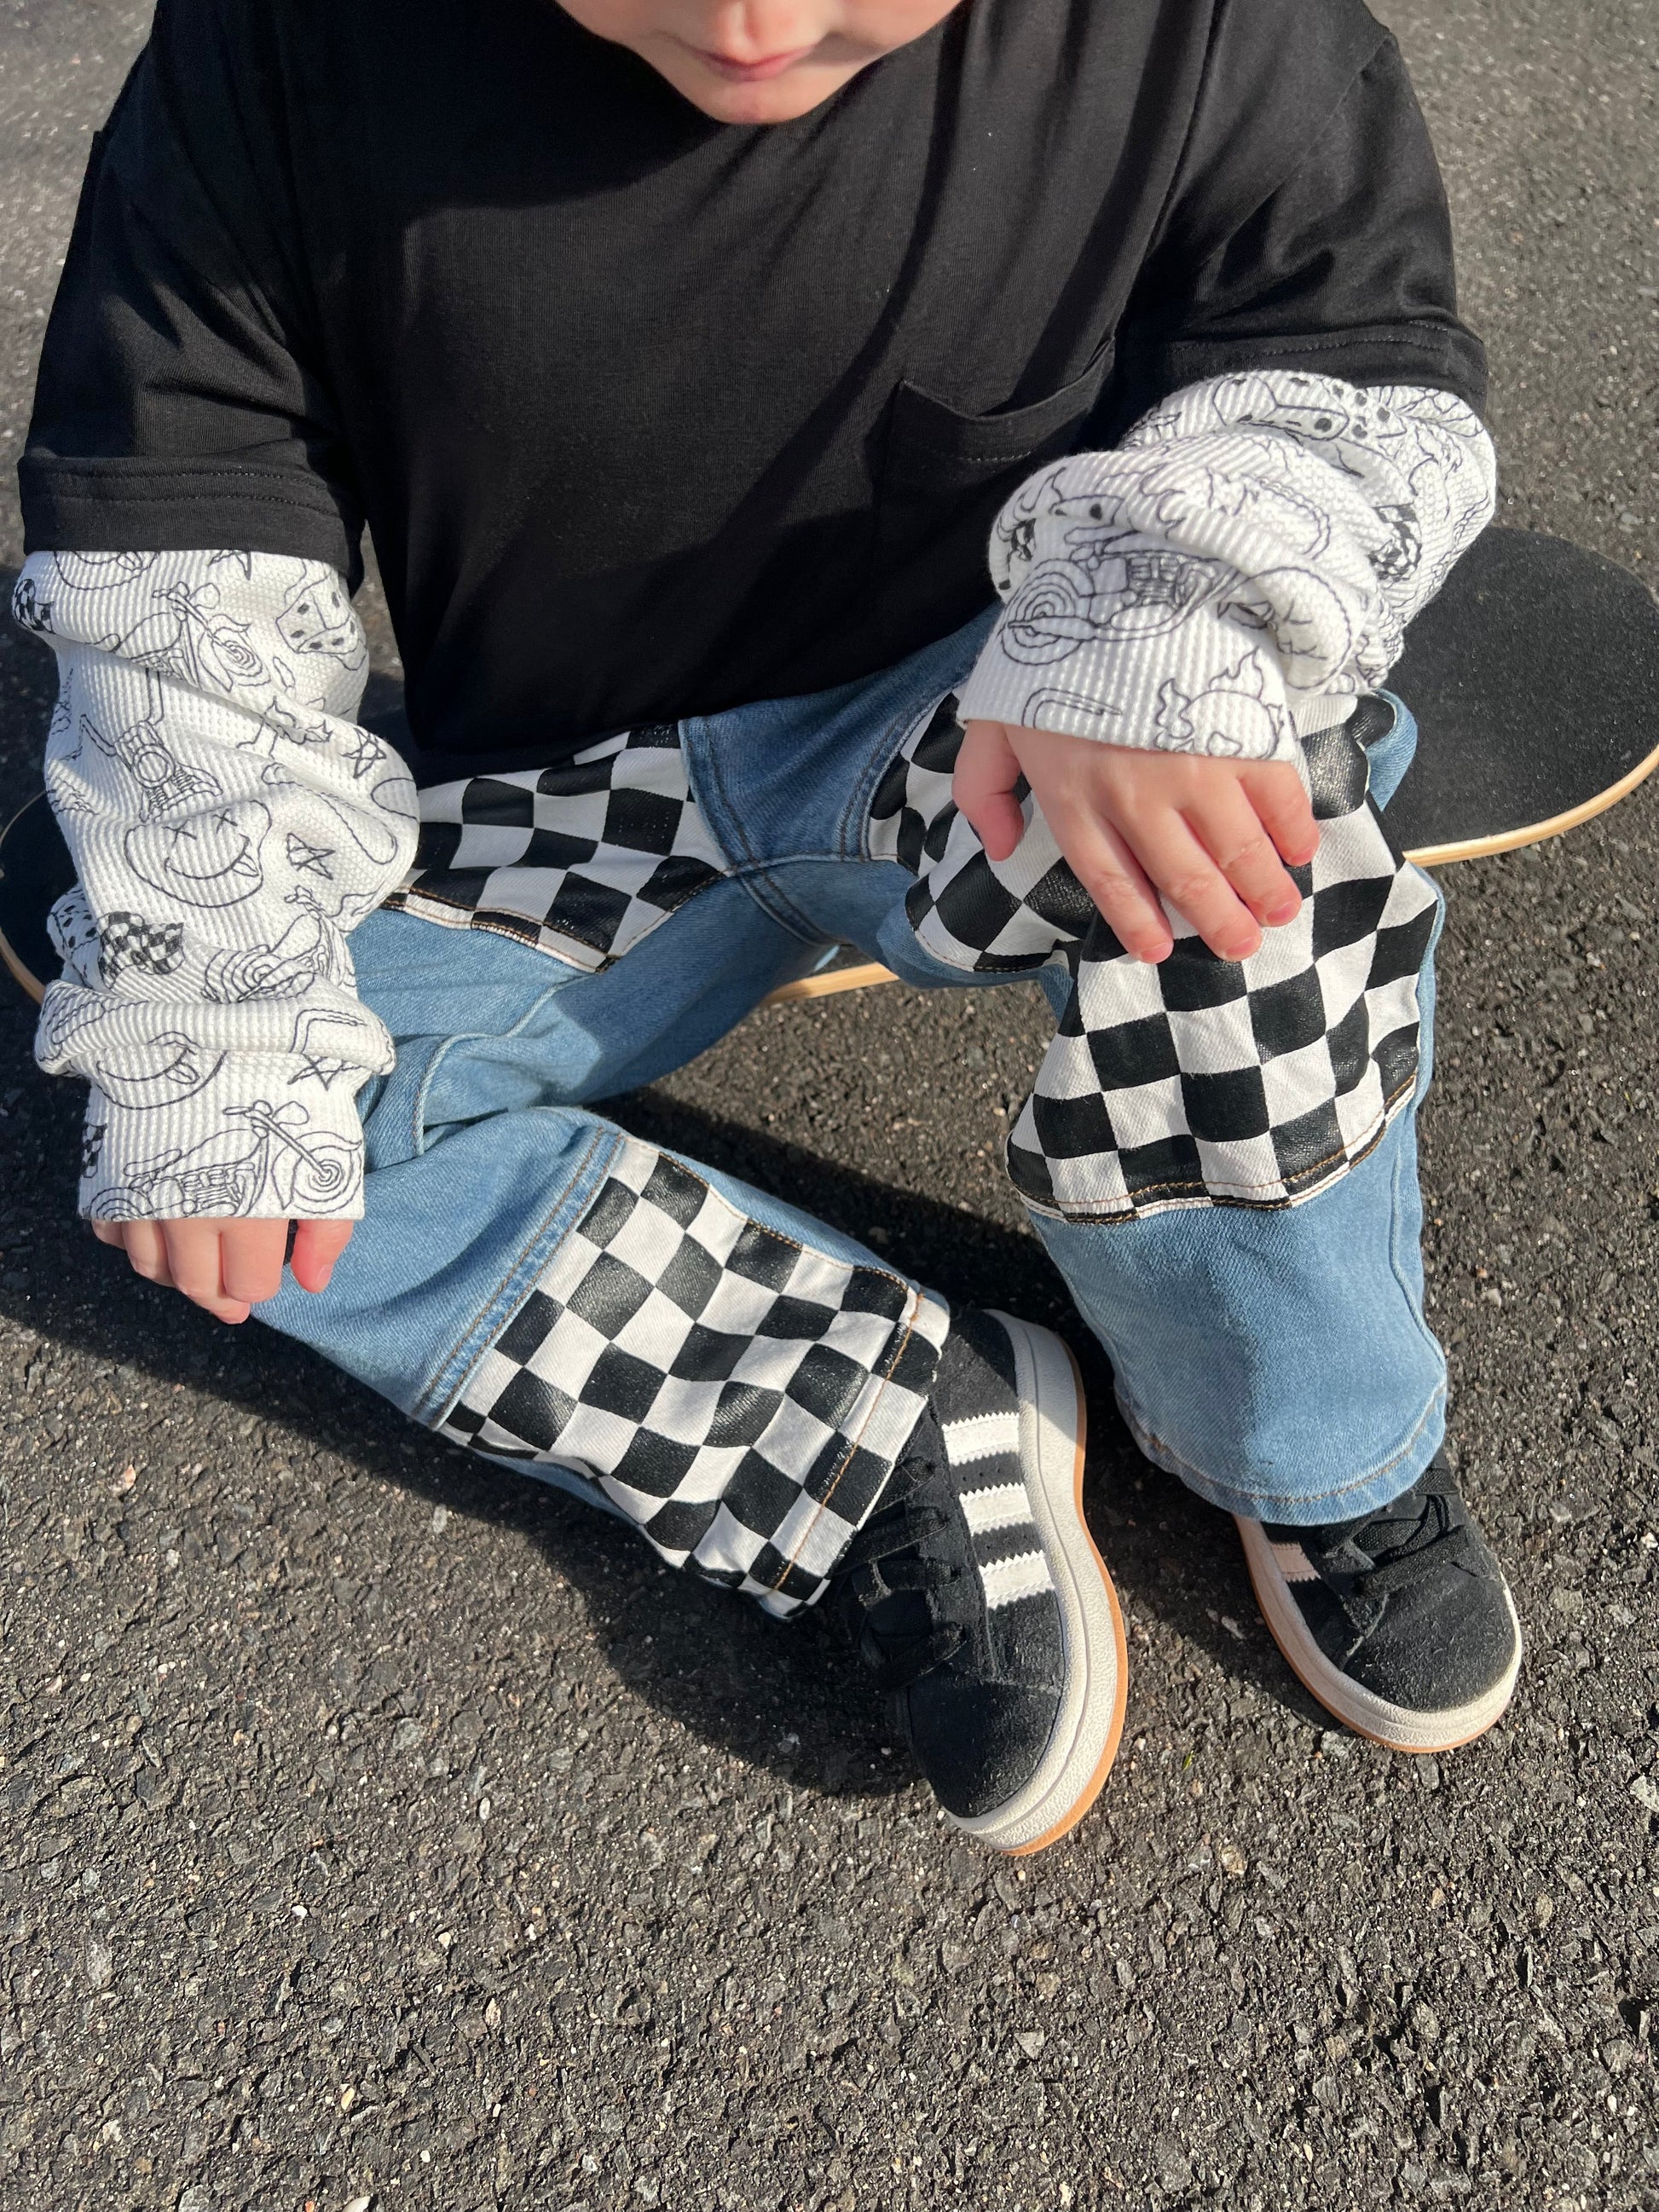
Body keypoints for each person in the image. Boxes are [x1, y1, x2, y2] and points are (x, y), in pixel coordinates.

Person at [12, 0, 1523, 1856]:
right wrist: (217, 994)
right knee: (220, 1125)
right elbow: (186, 539)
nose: (750, 21)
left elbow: (1341, 357)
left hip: (997, 701)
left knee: (1250, 822)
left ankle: (1306, 1433)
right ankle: (866, 1412)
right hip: (576, 775)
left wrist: (1178, 605)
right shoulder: (273, 46)